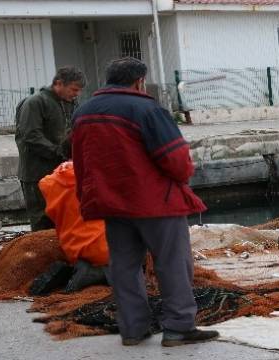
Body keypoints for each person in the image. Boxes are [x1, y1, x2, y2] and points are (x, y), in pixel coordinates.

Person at [71, 58, 219, 347]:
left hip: (111, 203)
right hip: (155, 203)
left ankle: (133, 330)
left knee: (124, 267)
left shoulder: (83, 112)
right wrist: (185, 172)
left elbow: (80, 160)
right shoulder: (147, 109)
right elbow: (175, 160)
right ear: (139, 81)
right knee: (172, 263)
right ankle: (178, 327)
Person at [15, 67, 84, 231]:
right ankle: (43, 255)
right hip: (36, 172)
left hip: (60, 172)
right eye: (74, 89)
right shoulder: (35, 102)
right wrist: (61, 153)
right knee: (42, 220)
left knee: (62, 219)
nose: (76, 94)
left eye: (79, 91)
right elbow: (31, 136)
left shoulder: (70, 104)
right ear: (59, 83)